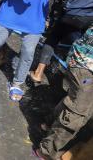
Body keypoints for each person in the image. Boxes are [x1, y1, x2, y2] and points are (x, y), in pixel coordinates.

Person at [31, 0, 93, 82]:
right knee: (80, 45)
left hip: (76, 9)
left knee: (54, 36)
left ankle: (38, 72)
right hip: (88, 17)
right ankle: (72, 79)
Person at [34, 25, 93, 160]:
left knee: (77, 102)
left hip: (84, 63)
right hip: (87, 67)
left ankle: (49, 124)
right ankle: (46, 151)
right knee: (78, 113)